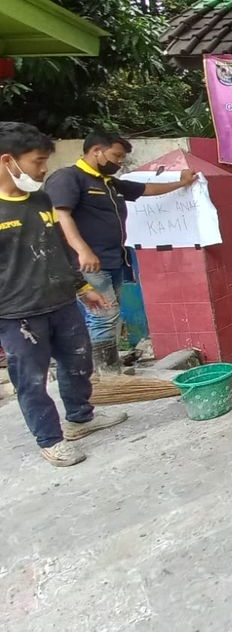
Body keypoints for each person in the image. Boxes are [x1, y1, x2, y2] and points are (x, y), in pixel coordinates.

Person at [0, 122, 127, 467]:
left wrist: (82, 287)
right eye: (37, 162)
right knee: (31, 379)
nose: (43, 170)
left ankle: (80, 418)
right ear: (7, 160)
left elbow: (57, 250)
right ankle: (50, 439)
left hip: (61, 302)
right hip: (18, 314)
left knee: (77, 362)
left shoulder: (41, 200)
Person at [45, 131, 198, 374]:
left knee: (108, 316)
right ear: (96, 150)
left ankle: (102, 367)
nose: (119, 162)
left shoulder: (109, 183)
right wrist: (83, 251)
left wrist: (181, 182)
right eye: (116, 156)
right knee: (104, 315)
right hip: (88, 264)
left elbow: (146, 189)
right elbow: (60, 215)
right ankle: (106, 374)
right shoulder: (69, 178)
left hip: (113, 260)